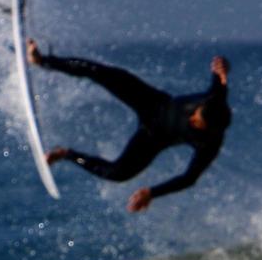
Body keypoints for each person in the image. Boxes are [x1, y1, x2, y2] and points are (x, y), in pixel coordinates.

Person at [27, 40, 231, 213]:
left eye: (197, 123)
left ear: (209, 130)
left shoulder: (209, 144)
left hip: (153, 137)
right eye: (195, 114)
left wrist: (152, 193)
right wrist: (222, 64)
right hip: (152, 103)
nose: (191, 119)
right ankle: (42, 60)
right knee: (100, 72)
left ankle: (66, 154)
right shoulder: (215, 96)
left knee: (118, 174)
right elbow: (220, 68)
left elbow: (189, 178)